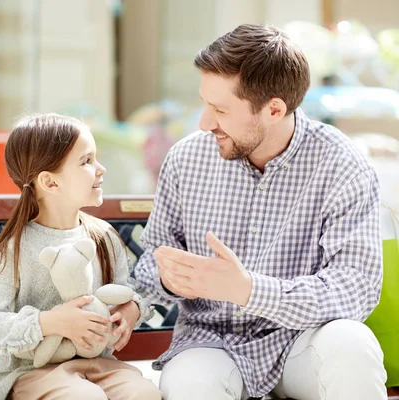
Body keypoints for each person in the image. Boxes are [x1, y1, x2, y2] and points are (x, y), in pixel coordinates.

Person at [135, 24, 387, 400]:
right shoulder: (186, 159)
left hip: (300, 340)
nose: (205, 123)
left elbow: (356, 288)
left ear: (274, 109)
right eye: (205, 104)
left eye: (220, 109)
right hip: (210, 342)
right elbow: (147, 267)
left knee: (352, 345)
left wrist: (250, 290)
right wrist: (173, 278)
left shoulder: (343, 164)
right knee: (190, 387)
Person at [0, 114, 161, 400]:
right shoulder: (16, 249)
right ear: (50, 183)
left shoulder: (104, 237)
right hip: (30, 374)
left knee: (143, 394)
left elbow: (132, 290)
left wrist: (131, 310)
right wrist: (49, 323)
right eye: (87, 161)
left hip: (98, 366)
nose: (100, 169)